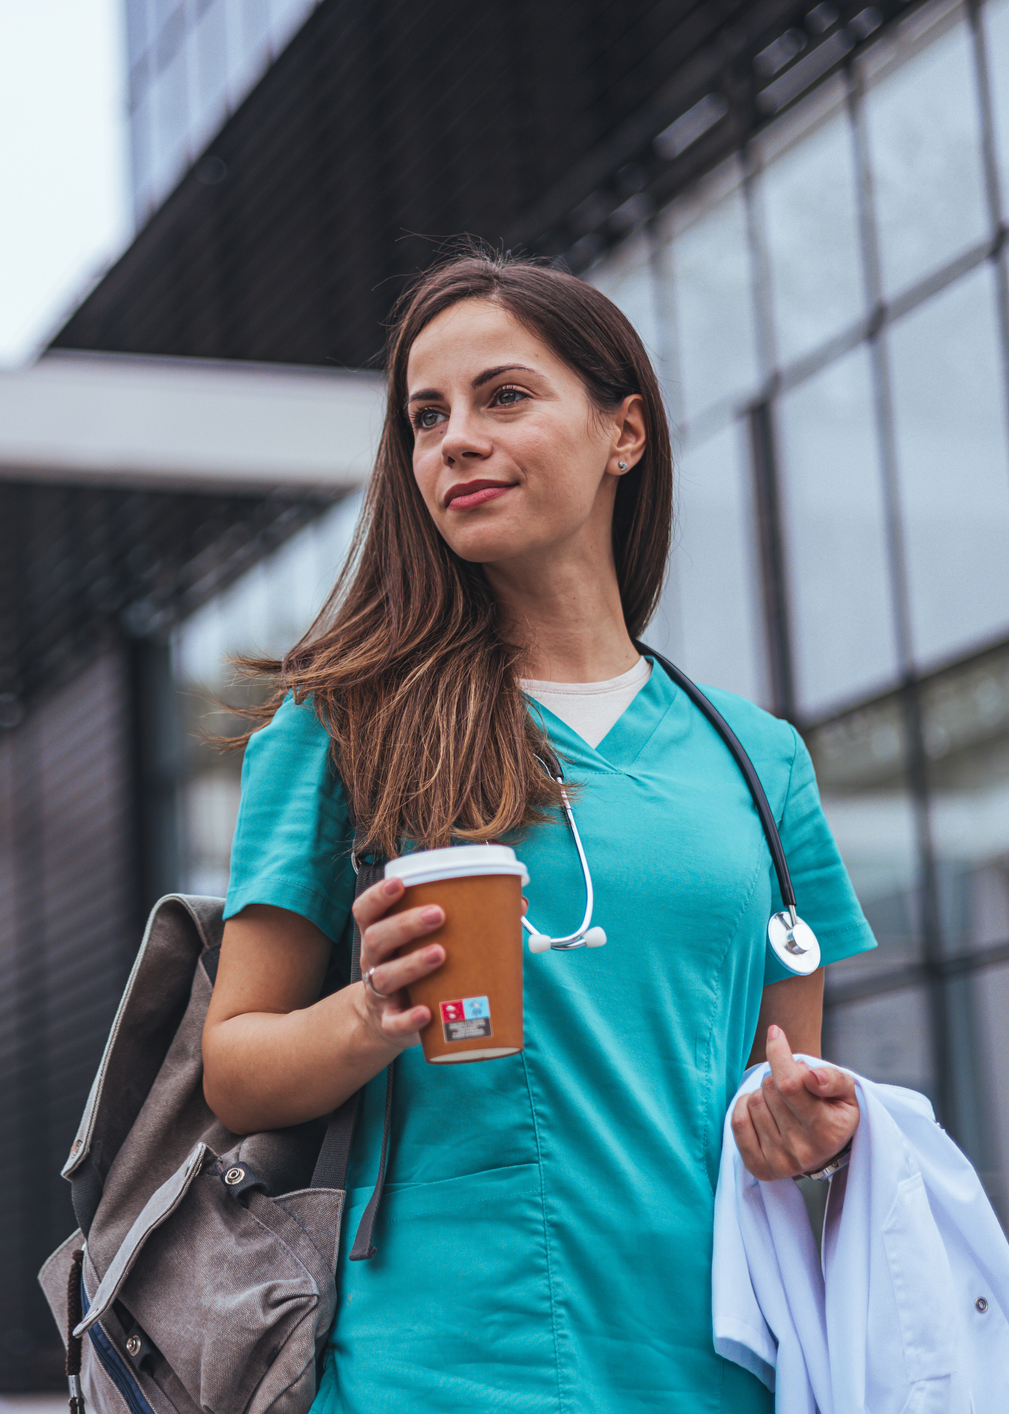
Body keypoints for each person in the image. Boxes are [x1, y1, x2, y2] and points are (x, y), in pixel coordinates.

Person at [200, 252, 875, 1412]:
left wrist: (804, 1131)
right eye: (425, 416)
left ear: (624, 432)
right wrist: (369, 1010)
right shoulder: (339, 729)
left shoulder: (757, 763)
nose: (453, 438)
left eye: (501, 396)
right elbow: (237, 1070)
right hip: (438, 1373)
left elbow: (778, 1092)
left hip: (714, 1372)